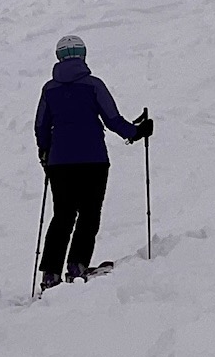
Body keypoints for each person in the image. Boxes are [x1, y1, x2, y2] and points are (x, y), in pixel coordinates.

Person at [34, 35, 151, 289]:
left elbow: (41, 126)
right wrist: (137, 132)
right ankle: (77, 265)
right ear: (83, 56)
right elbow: (112, 119)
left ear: (59, 57)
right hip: (93, 160)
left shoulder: (49, 90)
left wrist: (45, 152)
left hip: (59, 163)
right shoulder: (94, 85)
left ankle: (50, 274)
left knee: (62, 215)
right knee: (89, 213)